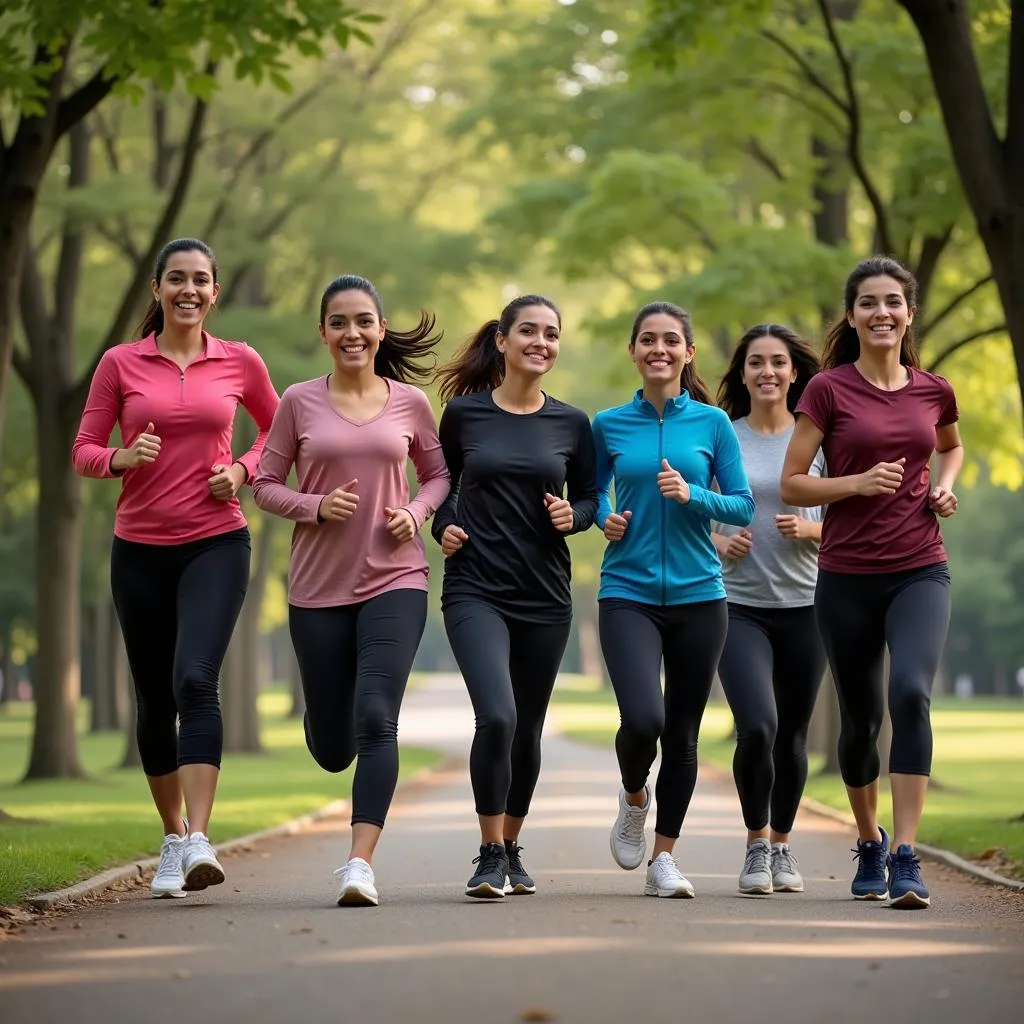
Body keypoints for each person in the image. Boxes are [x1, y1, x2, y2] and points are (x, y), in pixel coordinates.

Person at [72, 238, 279, 898]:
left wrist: (242, 470)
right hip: (138, 549)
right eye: (177, 279)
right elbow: (82, 448)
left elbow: (281, 432)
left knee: (196, 679)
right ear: (158, 290)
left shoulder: (240, 361)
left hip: (216, 542)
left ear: (214, 292)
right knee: (155, 698)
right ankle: (171, 832)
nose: (189, 289)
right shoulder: (120, 363)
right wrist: (119, 460)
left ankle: (198, 841)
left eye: (201, 280)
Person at [252, 275, 450, 907]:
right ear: (323, 333)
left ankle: (359, 864)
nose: (352, 333)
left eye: (363, 321)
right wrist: (314, 507)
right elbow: (263, 482)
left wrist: (416, 513)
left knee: (376, 718)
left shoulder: (410, 403)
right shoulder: (298, 402)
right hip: (317, 589)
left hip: (396, 577)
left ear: (380, 330)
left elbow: (440, 474)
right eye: (339, 322)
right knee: (334, 746)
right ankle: (320, 717)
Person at [780, 256, 963, 909]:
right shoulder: (828, 390)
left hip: (920, 567)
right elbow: (793, 481)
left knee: (911, 692)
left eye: (893, 302)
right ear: (852, 315)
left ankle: (906, 854)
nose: (881, 312)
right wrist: (855, 484)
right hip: (847, 575)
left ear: (908, 313)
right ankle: (868, 839)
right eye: (868, 303)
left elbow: (951, 445)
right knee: (861, 721)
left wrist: (942, 487)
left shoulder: (933, 388)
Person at [431, 294, 597, 899]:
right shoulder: (464, 416)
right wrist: (441, 524)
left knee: (526, 728)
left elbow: (591, 498)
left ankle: (512, 847)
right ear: (501, 340)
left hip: (545, 595)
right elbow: (441, 488)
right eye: (528, 330)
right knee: (496, 715)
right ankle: (488, 850)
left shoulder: (573, 423)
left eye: (551, 333)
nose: (541, 342)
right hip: (475, 587)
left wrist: (571, 516)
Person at [595, 301, 755, 898]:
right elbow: (591, 498)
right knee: (643, 719)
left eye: (670, 341)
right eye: (647, 340)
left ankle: (664, 858)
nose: (658, 349)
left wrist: (693, 494)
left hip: (699, 595)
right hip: (627, 591)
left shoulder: (713, 424)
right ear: (633, 352)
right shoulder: (608, 424)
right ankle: (634, 796)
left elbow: (742, 505)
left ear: (688, 354)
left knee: (683, 733)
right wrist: (606, 518)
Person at [712, 323, 827, 895]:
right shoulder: (722, 436)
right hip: (738, 606)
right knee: (757, 726)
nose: (768, 372)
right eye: (756, 362)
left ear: (795, 372)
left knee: (793, 736)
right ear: (742, 373)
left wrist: (813, 528)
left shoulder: (816, 443)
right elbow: (687, 511)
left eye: (778, 362)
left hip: (808, 606)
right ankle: (757, 844)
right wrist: (715, 540)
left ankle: (783, 846)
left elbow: (854, 519)